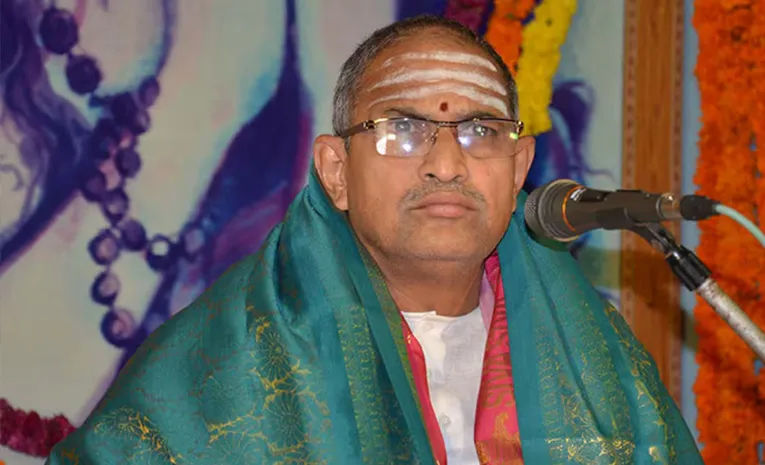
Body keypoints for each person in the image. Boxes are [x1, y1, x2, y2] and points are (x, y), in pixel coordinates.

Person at [46, 14, 702, 465]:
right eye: (403, 131)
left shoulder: (595, 356)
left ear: (518, 167)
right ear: (336, 171)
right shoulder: (226, 361)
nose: (446, 163)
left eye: (480, 131)